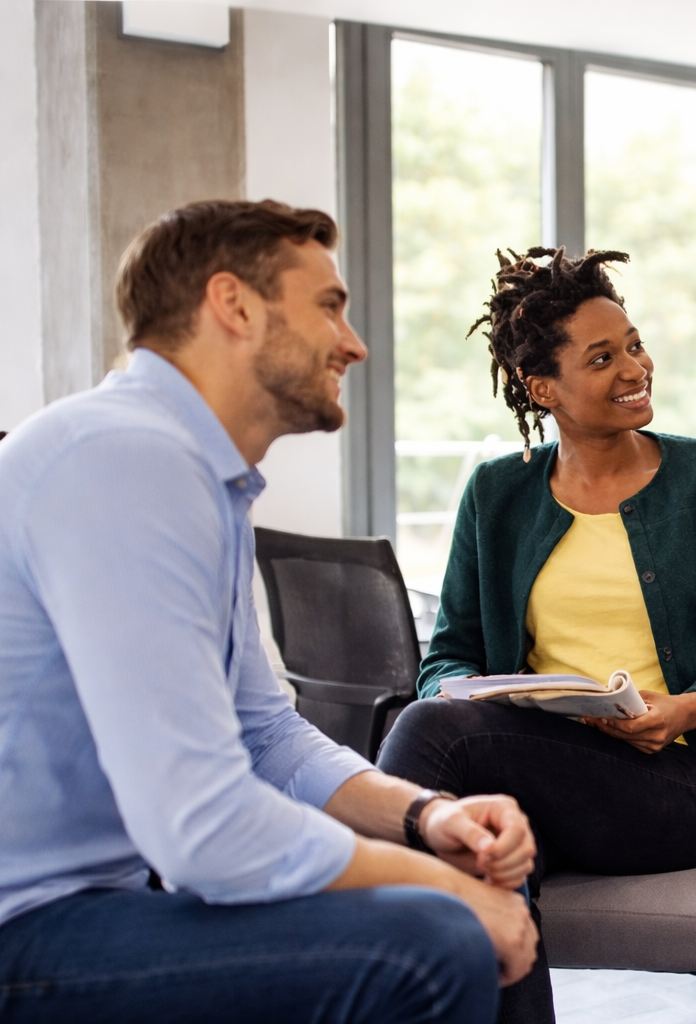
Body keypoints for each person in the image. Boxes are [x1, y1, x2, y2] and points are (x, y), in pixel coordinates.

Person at [0, 200, 540, 1024]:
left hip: (93, 899)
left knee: (481, 885)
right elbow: (201, 828)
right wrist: (444, 887)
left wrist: (429, 819)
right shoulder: (124, 458)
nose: (354, 343)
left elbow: (265, 735)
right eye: (329, 305)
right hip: (28, 926)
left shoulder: (190, 473)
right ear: (235, 305)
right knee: (435, 939)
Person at [377, 247, 696, 1022]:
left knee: (430, 736)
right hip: (536, 783)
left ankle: (366, 941)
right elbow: (449, 654)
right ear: (541, 387)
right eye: (603, 357)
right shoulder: (496, 493)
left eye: (634, 346)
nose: (635, 368)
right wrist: (469, 690)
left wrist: (685, 708)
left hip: (681, 788)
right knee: (485, 856)